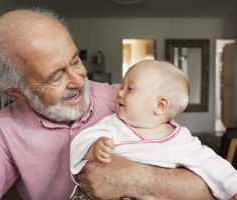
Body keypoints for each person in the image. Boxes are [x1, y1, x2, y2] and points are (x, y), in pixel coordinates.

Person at [0, 8, 216, 200]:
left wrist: (137, 179)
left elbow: (209, 186)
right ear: (17, 90)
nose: (79, 78)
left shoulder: (125, 101)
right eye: (55, 76)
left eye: (75, 60)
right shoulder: (3, 130)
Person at [70, 60, 237, 200]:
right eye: (122, 86)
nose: (119, 93)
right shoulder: (114, 125)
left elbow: (211, 163)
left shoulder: (181, 139)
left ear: (160, 105)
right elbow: (82, 139)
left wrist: (233, 186)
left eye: (130, 88)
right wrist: (93, 148)